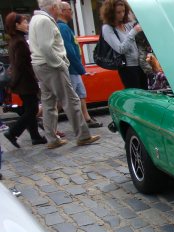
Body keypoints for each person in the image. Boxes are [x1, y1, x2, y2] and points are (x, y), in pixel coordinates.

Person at [29, 0, 100, 149]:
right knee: (71, 100)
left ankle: (52, 138)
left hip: (41, 65)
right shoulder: (44, 21)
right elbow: (46, 47)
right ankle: (82, 135)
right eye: (57, 7)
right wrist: (59, 63)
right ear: (53, 7)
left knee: (49, 103)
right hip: (50, 66)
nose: (59, 11)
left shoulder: (36, 19)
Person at [4, 12, 47, 148]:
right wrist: (15, 83)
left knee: (30, 109)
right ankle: (13, 132)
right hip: (25, 83)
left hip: (23, 82)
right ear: (17, 25)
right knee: (32, 110)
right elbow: (20, 66)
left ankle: (35, 136)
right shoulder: (20, 42)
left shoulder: (15, 40)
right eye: (24, 22)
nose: (27, 24)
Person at [58, 1, 102, 129]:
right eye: (68, 9)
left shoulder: (65, 27)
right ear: (62, 11)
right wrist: (80, 68)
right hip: (71, 68)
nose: (71, 11)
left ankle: (86, 118)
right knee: (66, 98)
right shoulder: (63, 28)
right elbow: (69, 50)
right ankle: (41, 118)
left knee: (80, 94)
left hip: (74, 68)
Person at [100, 0, 146, 89]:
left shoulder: (126, 24)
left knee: (146, 94)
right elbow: (120, 49)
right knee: (136, 96)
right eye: (118, 12)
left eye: (123, 11)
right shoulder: (107, 28)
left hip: (140, 65)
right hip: (127, 67)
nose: (121, 14)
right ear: (111, 13)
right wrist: (133, 32)